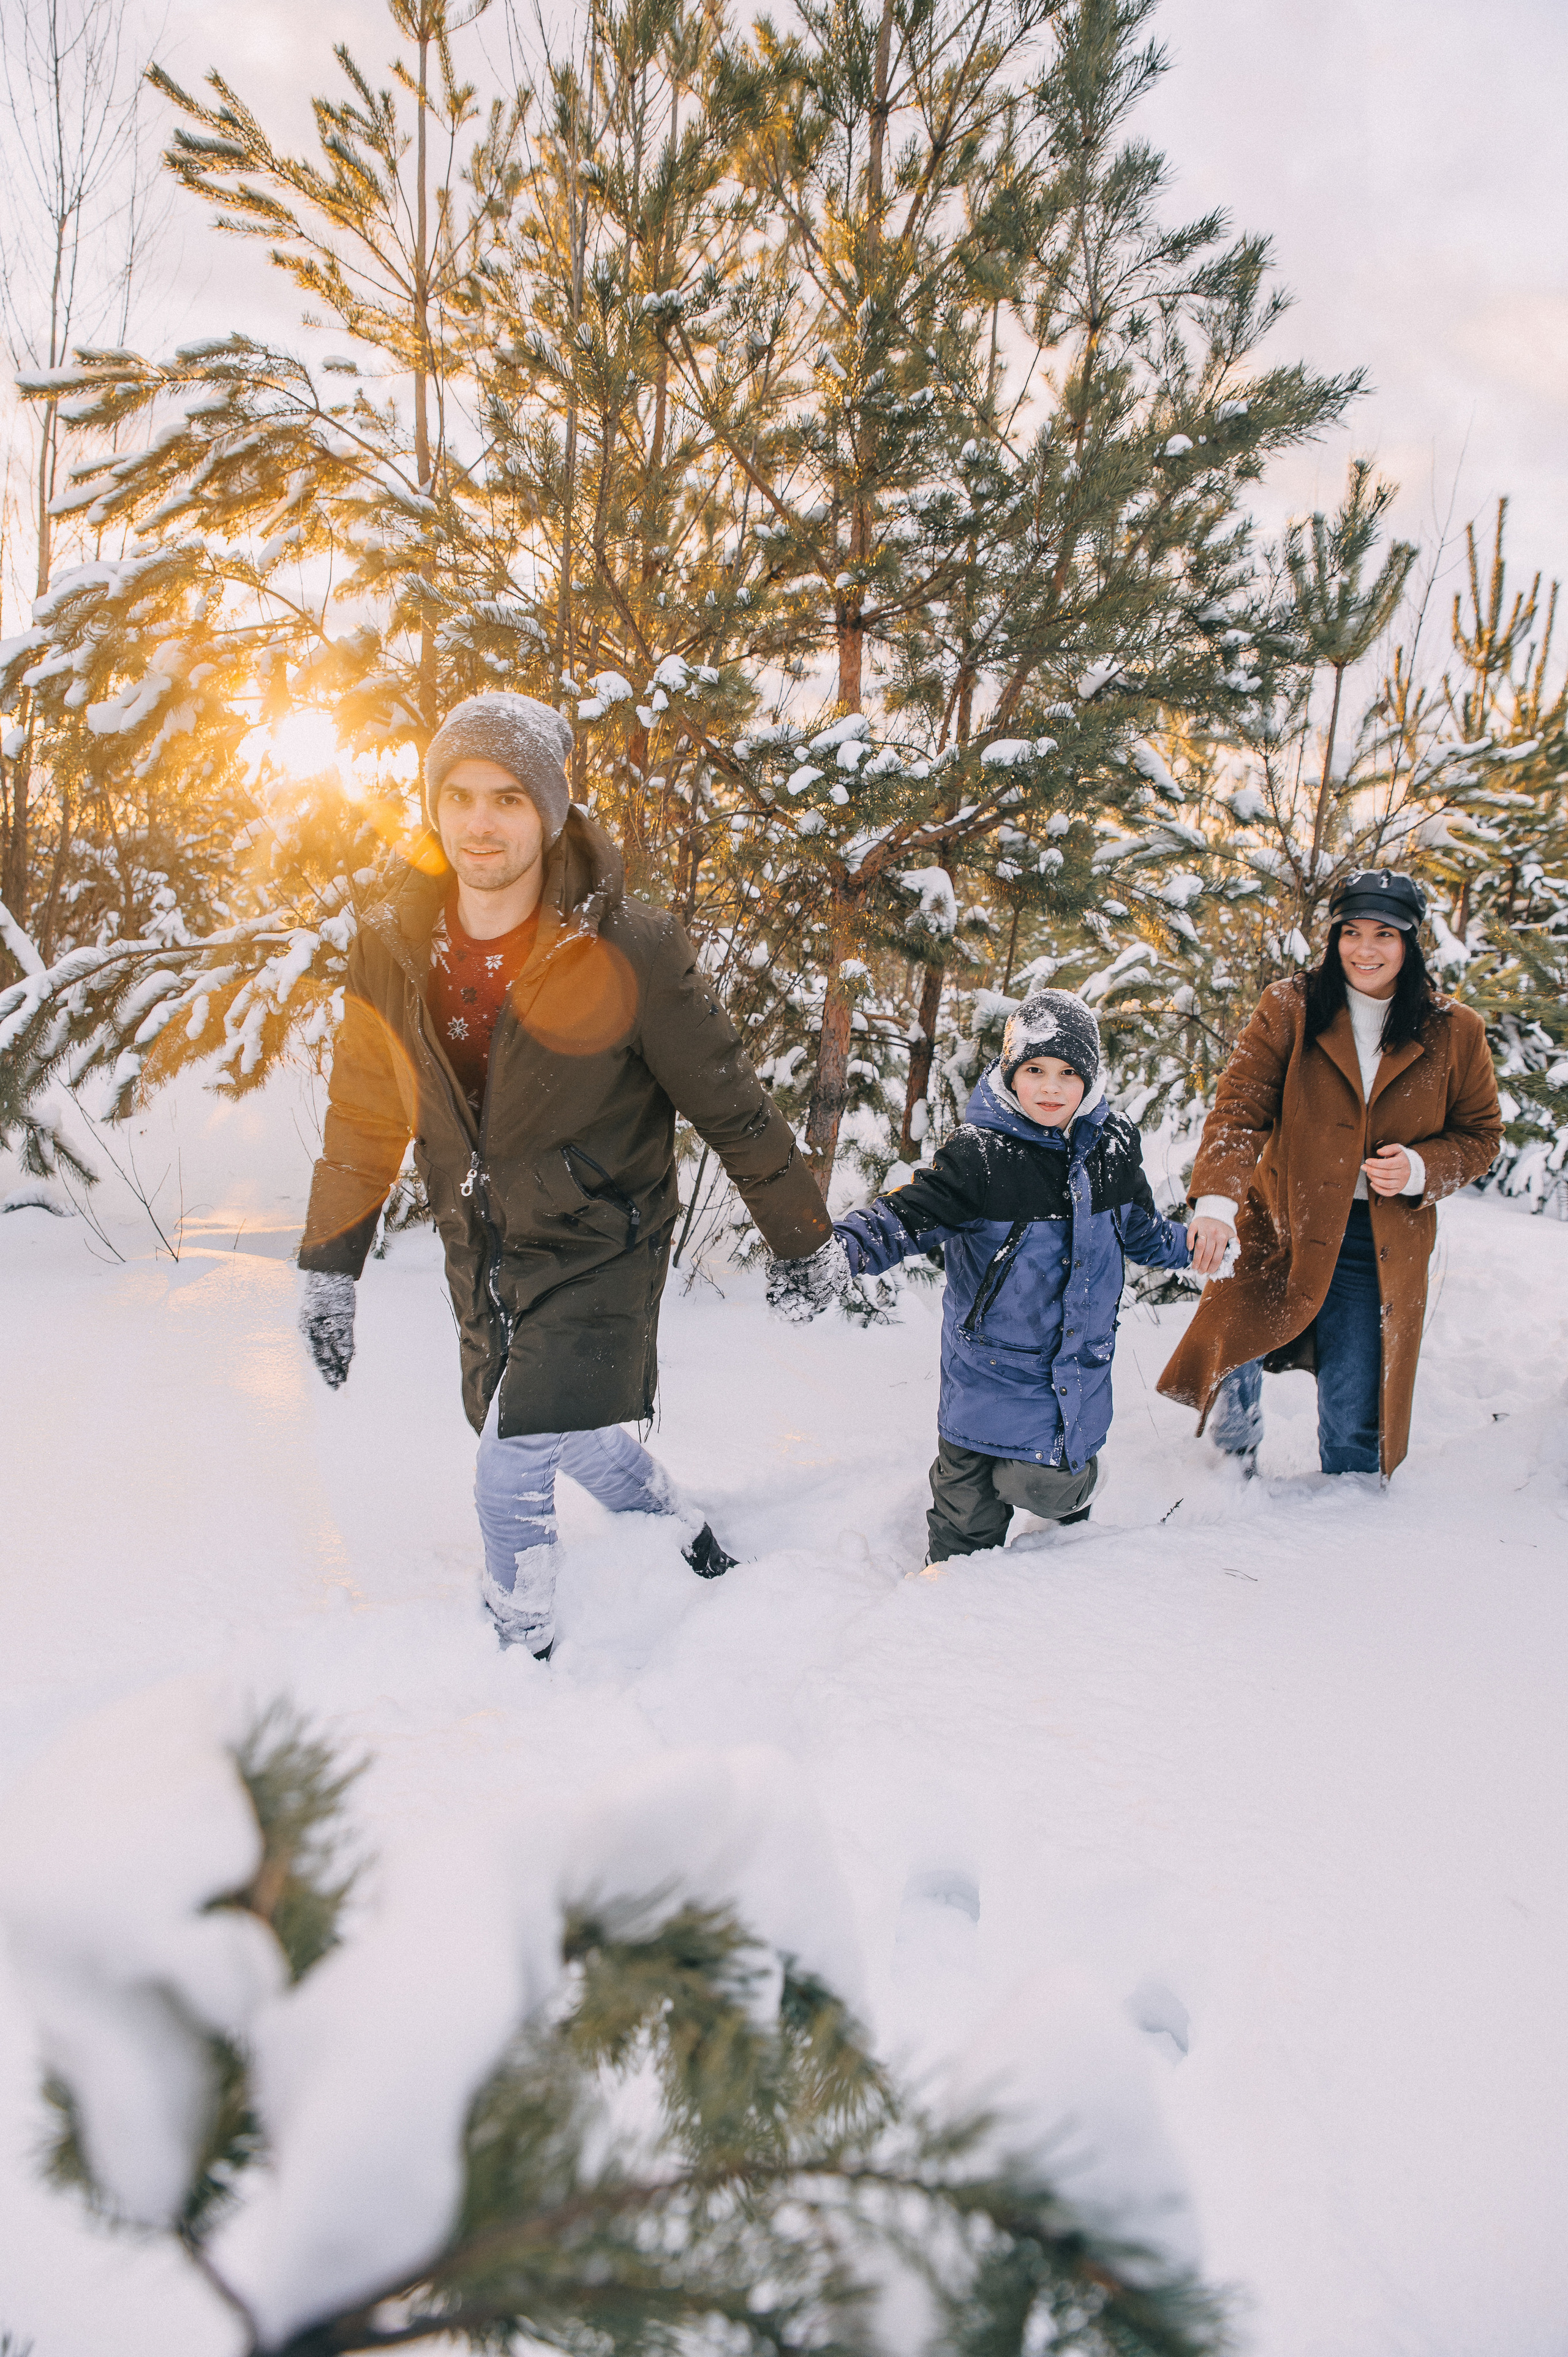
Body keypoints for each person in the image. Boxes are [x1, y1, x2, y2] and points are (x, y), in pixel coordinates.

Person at [295, 692, 842, 1658]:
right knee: (558, 1424)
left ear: (549, 812)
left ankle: (521, 1647)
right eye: (459, 795)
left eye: (507, 798)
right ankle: (680, 1527)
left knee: (511, 1457)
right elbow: (365, 1113)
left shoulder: (631, 945)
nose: (479, 822)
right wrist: (330, 1268)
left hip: (603, 1243)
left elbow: (730, 1102)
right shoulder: (392, 943)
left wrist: (803, 1237)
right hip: (484, 1240)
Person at [1160, 869, 1503, 1481]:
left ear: (1410, 942)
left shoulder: (1456, 1030)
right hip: (1279, 1218)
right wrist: (1215, 1203)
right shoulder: (1290, 1005)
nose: (1364, 949)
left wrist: (1421, 1167)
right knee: (1231, 1340)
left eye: (1384, 935)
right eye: (1351, 932)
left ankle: (1347, 1518)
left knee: (1355, 1424)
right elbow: (1240, 1107)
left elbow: (1480, 1136)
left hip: (1376, 1241)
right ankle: (1229, 1472)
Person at [829, 989, 1192, 1565]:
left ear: (1089, 1078)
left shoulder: (1112, 1150)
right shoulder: (981, 1157)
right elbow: (905, 1216)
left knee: (1052, 1496)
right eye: (1035, 1070)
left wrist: (1195, 1247)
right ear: (1010, 1072)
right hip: (983, 1374)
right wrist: (839, 1252)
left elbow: (1143, 1232)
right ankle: (941, 1610)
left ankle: (1065, 1545)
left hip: (1067, 1380)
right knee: (962, 1528)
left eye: (1068, 1072)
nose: (1051, 1087)